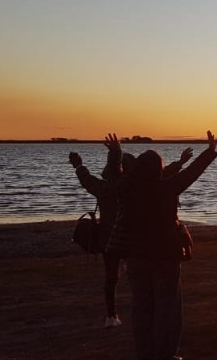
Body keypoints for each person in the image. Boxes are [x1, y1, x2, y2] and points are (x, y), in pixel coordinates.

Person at [108, 131, 217, 360]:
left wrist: (116, 153)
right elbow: (193, 173)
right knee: (167, 305)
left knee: (141, 306)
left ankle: (145, 355)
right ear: (158, 169)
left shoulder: (126, 189)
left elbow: (115, 174)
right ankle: (165, 354)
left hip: (136, 255)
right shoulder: (167, 188)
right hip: (165, 254)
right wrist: (209, 151)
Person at [69, 138, 193, 328]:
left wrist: (79, 165)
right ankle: (142, 310)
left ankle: (111, 315)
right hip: (134, 239)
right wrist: (181, 162)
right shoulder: (138, 187)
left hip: (111, 240)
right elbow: (164, 175)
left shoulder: (107, 187)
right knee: (141, 275)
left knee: (112, 277)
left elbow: (86, 179)